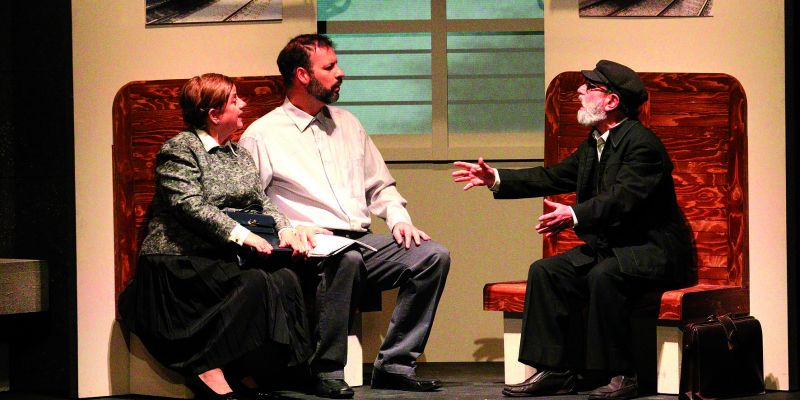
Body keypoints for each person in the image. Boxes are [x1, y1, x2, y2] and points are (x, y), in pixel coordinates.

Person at [452, 60, 694, 399]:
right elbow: (553, 176)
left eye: (590, 87)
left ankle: (622, 374)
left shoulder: (642, 145)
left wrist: (574, 214)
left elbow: (622, 198)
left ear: (611, 101)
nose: (580, 91)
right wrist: (496, 178)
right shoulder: (596, 142)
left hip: (652, 253)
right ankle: (555, 371)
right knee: (546, 272)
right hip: (614, 250)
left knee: (604, 276)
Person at [239, 34, 450, 399]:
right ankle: (326, 369)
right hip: (307, 246)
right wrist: (291, 230)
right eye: (330, 66)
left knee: (432, 256)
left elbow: (380, 186)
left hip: (359, 238)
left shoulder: (348, 124)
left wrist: (398, 218)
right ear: (303, 75)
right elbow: (250, 206)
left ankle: (395, 365)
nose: (341, 73)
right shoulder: (263, 135)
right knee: (345, 259)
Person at [118, 73, 312, 400]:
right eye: (235, 100)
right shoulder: (180, 149)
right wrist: (240, 234)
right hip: (177, 260)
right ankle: (207, 367)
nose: (243, 105)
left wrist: (285, 229)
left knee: (284, 278)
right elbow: (187, 204)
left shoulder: (238, 154)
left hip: (219, 256)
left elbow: (261, 201)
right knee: (254, 282)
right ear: (214, 114)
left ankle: (250, 369)